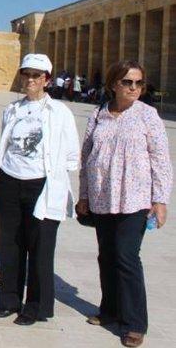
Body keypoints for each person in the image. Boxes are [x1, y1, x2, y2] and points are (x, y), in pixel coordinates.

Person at [76, 60, 172, 348]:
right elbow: (86, 155)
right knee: (106, 255)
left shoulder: (148, 115)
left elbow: (160, 159)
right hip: (102, 196)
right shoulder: (99, 114)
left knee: (126, 257)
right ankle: (110, 311)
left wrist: (160, 199)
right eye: (128, 82)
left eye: (139, 83)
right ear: (114, 84)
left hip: (135, 197)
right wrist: (83, 195)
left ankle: (134, 323)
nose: (134, 88)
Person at [0, 53, 79, 326]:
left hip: (42, 185)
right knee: (10, 245)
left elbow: (72, 155)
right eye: (26, 74)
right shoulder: (12, 109)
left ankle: (36, 306)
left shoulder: (60, 112)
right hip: (11, 181)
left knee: (39, 248)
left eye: (36, 75)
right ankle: (9, 300)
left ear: (47, 80)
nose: (30, 80)